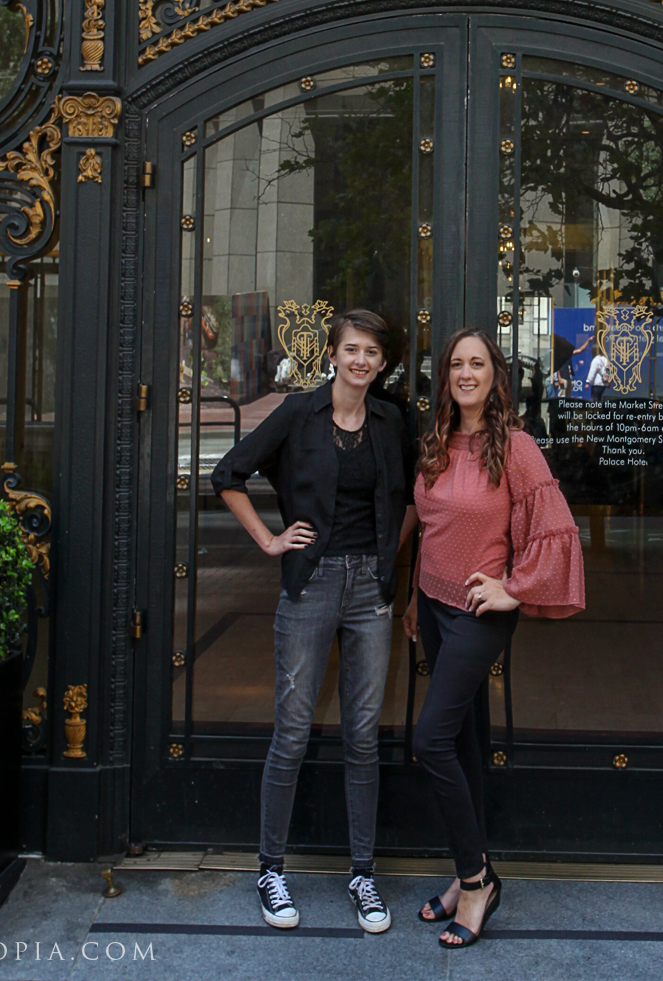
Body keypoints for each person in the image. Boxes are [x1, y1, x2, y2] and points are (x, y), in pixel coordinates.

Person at [210, 308, 415, 936]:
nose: (361, 361)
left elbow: (411, 496)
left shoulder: (390, 420)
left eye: (372, 353)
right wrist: (272, 542)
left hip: (370, 592)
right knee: (293, 730)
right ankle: (271, 868)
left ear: (382, 363)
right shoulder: (300, 414)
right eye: (351, 349)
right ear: (332, 353)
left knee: (361, 734)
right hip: (313, 581)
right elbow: (228, 474)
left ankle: (362, 872)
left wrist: (390, 556)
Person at [403, 328, 585, 949]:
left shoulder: (517, 448)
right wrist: (411, 597)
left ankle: (477, 880)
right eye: (456, 364)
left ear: (495, 374)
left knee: (429, 739)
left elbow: (555, 527)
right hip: (431, 603)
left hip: (480, 611)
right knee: (463, 740)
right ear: (446, 376)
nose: (466, 373)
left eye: (477, 363)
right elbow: (430, 527)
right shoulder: (435, 442)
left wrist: (515, 586)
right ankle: (465, 871)